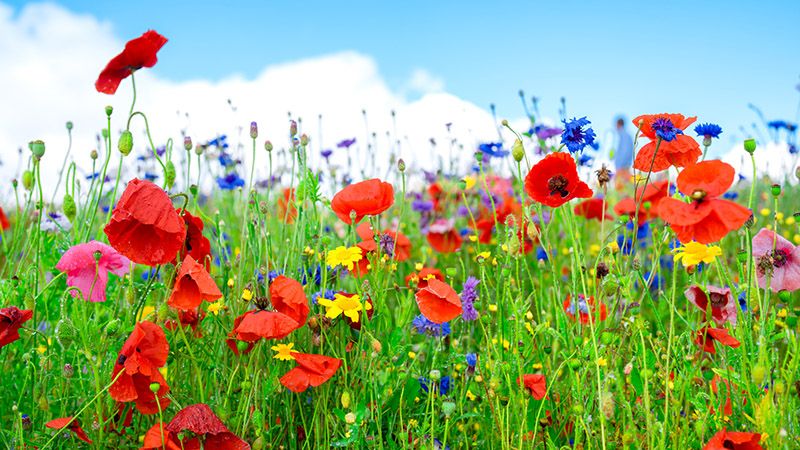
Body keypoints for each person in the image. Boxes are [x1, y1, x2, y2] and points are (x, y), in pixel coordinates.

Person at [613, 116, 633, 188]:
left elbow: (625, 150)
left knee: (622, 188)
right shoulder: (626, 135)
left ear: (618, 124)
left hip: (622, 167)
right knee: (624, 187)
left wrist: (620, 166)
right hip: (624, 165)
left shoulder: (623, 135)